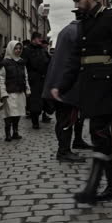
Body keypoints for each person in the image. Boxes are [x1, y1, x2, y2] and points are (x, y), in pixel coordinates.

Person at [51, 0, 112, 204]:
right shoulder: (85, 22)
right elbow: (76, 59)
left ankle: (93, 187)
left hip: (107, 86)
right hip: (90, 87)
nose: (77, 4)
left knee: (99, 133)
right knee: (101, 137)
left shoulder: (111, 17)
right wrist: (62, 85)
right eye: (75, 0)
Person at [43, 9, 91, 163]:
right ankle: (63, 151)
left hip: (59, 81)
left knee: (66, 118)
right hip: (67, 83)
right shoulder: (78, 31)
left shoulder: (66, 30)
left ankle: (69, 146)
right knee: (67, 118)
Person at [0, 41, 30, 141]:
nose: (18, 50)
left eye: (19, 48)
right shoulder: (5, 62)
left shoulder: (21, 62)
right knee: (9, 113)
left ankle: (15, 132)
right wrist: (3, 92)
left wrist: (27, 89)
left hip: (20, 91)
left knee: (18, 113)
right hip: (9, 92)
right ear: (11, 49)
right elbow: (1, 79)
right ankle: (8, 133)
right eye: (16, 48)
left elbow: (26, 77)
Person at [23, 32, 50, 129]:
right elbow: (24, 65)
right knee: (35, 102)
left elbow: (48, 61)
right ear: (34, 39)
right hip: (33, 79)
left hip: (43, 79)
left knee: (44, 101)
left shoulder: (43, 49)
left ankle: (43, 115)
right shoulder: (27, 50)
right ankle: (35, 121)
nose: (40, 40)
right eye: (39, 38)